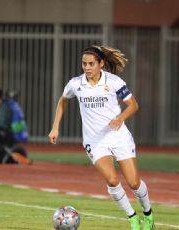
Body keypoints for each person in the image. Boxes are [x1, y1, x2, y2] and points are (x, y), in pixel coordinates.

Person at [48, 45, 154, 230]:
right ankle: (133, 219)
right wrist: (55, 127)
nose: (87, 68)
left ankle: (148, 216)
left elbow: (133, 105)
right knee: (112, 180)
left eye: (91, 64)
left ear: (101, 64)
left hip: (119, 137)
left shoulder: (114, 82)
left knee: (134, 182)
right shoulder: (76, 83)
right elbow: (63, 100)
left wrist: (120, 118)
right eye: (84, 64)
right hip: (94, 142)